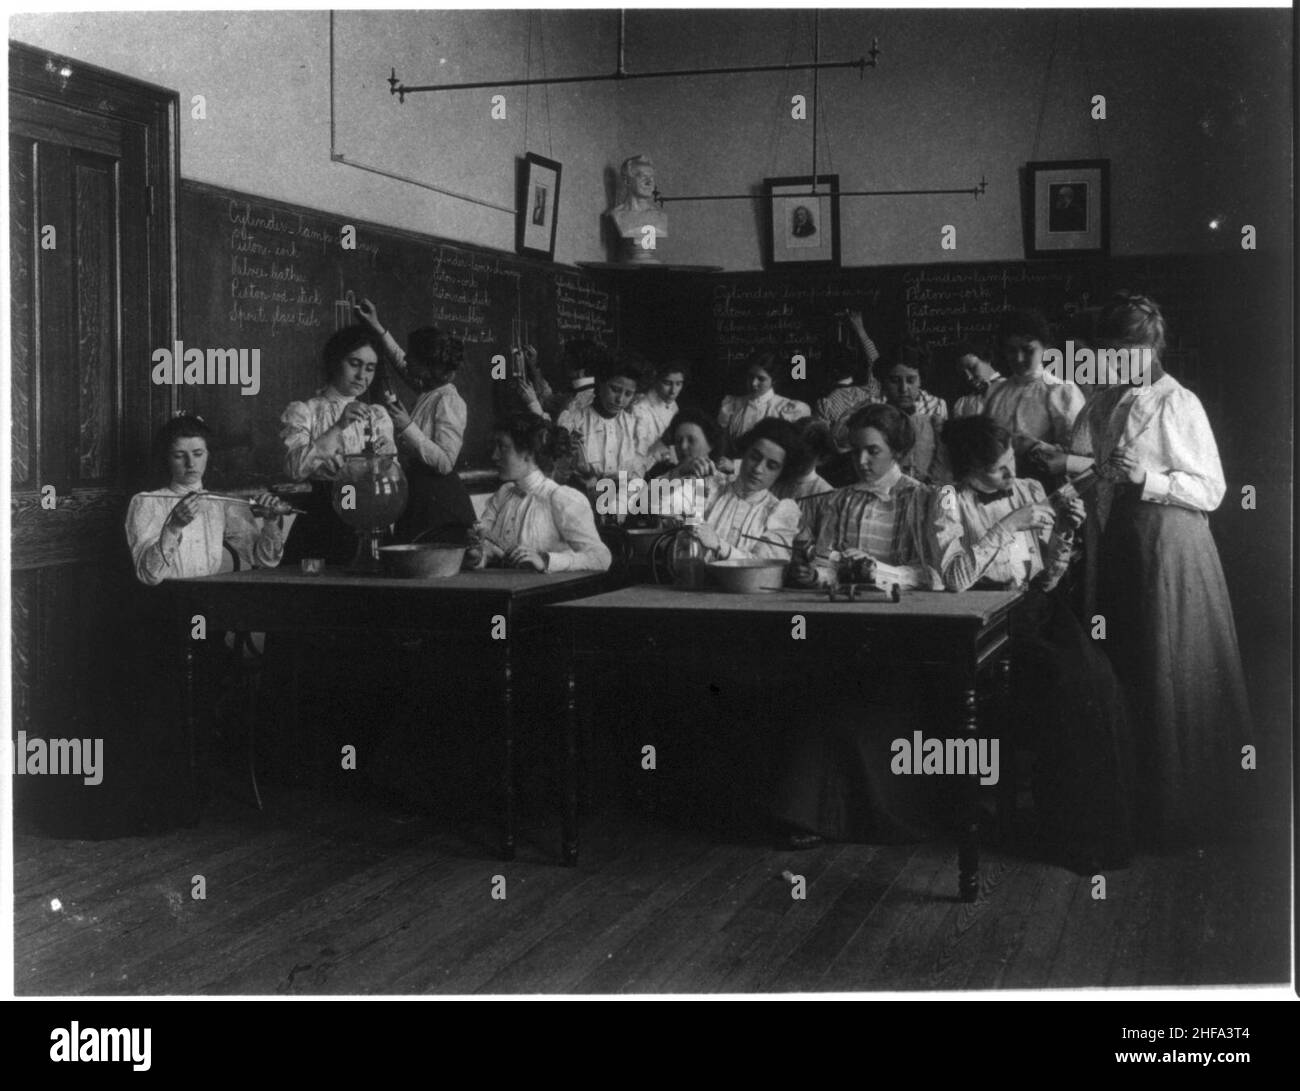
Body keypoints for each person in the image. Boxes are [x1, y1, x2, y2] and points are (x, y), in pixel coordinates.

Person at [1073, 293, 1252, 845]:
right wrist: (1097, 476)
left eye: (1127, 351)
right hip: (1119, 542)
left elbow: (1213, 491)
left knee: (1167, 667)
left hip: (1170, 546)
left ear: (1151, 348)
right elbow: (1089, 466)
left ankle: (1181, 812)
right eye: (1109, 352)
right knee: (1126, 666)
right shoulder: (1102, 403)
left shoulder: (1178, 403)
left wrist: (1144, 481)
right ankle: (1131, 807)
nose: (1117, 362)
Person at [932, 415, 1135, 871]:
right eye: (997, 471)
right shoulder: (947, 499)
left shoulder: (1025, 490)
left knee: (1099, 680)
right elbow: (956, 580)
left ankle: (1096, 833)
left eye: (1010, 465)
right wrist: (1009, 523)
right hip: (985, 616)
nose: (1010, 477)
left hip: (1035, 606)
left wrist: (1064, 531)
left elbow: (1047, 576)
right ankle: (1065, 832)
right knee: (1066, 685)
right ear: (966, 470)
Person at [774, 403, 940, 848]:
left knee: (858, 698)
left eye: (874, 452)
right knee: (813, 688)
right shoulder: (840, 499)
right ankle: (812, 813)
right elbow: (827, 562)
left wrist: (880, 574)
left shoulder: (924, 498)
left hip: (904, 631)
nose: (862, 462)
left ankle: (848, 815)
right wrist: (816, 574)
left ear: (899, 450)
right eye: (856, 452)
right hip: (843, 624)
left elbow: (933, 574)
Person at [355, 301, 476, 545]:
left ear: (429, 366)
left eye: (413, 356)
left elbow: (445, 463)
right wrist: (378, 327)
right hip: (420, 495)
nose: (406, 359)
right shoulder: (430, 389)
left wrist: (407, 426)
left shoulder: (449, 401)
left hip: (440, 504)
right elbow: (402, 362)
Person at [280, 325, 397, 563]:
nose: (362, 375)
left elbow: (393, 476)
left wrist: (386, 462)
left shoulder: (378, 415)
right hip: (322, 517)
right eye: (354, 364)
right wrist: (338, 427)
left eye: (370, 368)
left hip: (368, 514)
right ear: (335, 361)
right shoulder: (305, 411)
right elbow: (294, 469)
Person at [126, 413, 286, 586]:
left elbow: (263, 560)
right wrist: (173, 527)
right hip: (166, 599)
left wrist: (270, 523)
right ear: (167, 458)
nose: (191, 463)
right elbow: (148, 575)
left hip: (209, 594)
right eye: (179, 455)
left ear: (208, 454)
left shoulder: (220, 502)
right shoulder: (147, 502)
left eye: (198, 453)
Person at [466, 416, 611, 573]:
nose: (494, 455)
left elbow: (601, 558)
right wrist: (480, 555)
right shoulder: (504, 493)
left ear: (528, 453)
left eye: (502, 447)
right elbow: (486, 543)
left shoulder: (561, 498)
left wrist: (546, 560)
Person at [982, 308, 1085, 487]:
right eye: (1011, 350)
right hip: (1001, 487)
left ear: (1045, 348)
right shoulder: (996, 392)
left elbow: (1077, 456)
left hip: (1047, 486)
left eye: (1028, 350)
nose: (1019, 358)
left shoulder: (1060, 391)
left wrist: (1034, 447)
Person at [693, 418, 803, 562]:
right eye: (755, 457)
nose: (757, 469)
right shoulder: (712, 485)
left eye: (771, 466)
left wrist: (720, 545)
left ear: (781, 472)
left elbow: (765, 567)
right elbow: (655, 503)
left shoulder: (778, 512)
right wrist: (679, 472)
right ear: (745, 453)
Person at [557, 351, 659, 488]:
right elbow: (559, 473)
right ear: (600, 384)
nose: (620, 399)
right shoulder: (575, 420)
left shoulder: (635, 425)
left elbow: (638, 472)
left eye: (628, 394)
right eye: (615, 389)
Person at [874, 346, 945, 484]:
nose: (903, 389)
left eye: (911, 380)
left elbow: (943, 468)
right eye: (895, 381)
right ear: (884, 382)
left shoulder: (933, 419)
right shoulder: (872, 417)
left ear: (920, 381)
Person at [717, 348, 811, 444]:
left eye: (761, 379)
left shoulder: (785, 409)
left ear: (773, 380)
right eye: (750, 376)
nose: (753, 383)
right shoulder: (732, 404)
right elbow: (723, 444)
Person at [646, 407, 732, 507]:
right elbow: (644, 504)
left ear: (710, 445)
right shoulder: (666, 475)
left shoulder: (724, 486)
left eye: (691, 440)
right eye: (678, 441)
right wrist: (678, 473)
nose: (683, 446)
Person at [814, 337, 883, 453]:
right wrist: (860, 330)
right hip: (872, 454)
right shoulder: (871, 391)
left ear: (827, 369)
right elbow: (875, 361)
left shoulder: (825, 404)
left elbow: (821, 443)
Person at [635, 359, 689, 464]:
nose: (673, 391)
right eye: (667, 383)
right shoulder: (640, 409)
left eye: (678, 384)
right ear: (656, 380)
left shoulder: (672, 405)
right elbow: (639, 456)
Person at [773, 418, 836, 502]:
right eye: (794, 451)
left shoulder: (825, 495)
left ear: (821, 459)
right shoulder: (777, 476)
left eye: (806, 456)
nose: (797, 459)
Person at [950, 336, 1005, 418]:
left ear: (987, 360)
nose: (968, 377)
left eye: (971, 368)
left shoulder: (1009, 389)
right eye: (962, 373)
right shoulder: (963, 402)